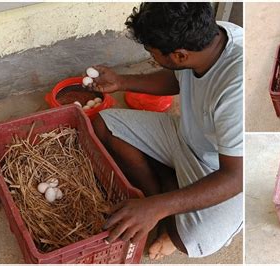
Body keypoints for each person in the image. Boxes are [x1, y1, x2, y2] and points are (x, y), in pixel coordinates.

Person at [85, 3, 243, 260]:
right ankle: (158, 198)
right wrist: (122, 82)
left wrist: (157, 208)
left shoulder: (237, 89)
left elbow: (235, 177)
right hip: (186, 135)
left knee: (190, 240)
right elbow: (177, 78)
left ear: (180, 55)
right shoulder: (210, 37)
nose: (152, 58)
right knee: (104, 125)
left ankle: (164, 206)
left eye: (152, 54)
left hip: (218, 168)